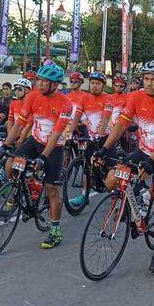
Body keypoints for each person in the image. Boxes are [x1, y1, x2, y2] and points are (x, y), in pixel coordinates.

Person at [95, 60, 154, 274]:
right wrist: (105, 148)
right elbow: (121, 124)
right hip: (142, 151)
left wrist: (153, 161)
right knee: (112, 178)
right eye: (147, 79)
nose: (149, 83)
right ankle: (136, 199)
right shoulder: (135, 97)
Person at [1, 61, 72, 249]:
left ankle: (55, 230)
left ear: (55, 85)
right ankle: (24, 189)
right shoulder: (32, 97)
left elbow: (56, 133)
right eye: (39, 80)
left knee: (52, 190)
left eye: (44, 81)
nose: (39, 84)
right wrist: (6, 144)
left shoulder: (65, 104)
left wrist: (43, 157)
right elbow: (19, 124)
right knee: (9, 164)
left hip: (54, 147)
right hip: (35, 140)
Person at [67, 71, 113, 208]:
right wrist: (69, 134)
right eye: (92, 83)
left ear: (103, 85)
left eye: (98, 83)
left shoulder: (108, 99)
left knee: (110, 168)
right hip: (91, 137)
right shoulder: (84, 99)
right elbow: (76, 117)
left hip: (106, 137)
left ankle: (117, 195)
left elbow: (105, 119)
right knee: (87, 167)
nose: (94, 86)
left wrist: (99, 135)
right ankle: (84, 196)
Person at [7, 78, 33, 144]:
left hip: (27, 137)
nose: (16, 92)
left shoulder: (31, 105)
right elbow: (10, 121)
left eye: (19, 89)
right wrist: (10, 136)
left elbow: (29, 125)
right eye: (15, 89)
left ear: (27, 90)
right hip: (15, 135)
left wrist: (20, 140)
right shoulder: (13, 103)